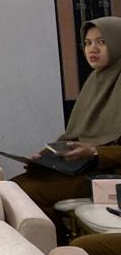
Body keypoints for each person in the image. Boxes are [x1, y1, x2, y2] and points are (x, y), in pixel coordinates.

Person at [17, 17, 121, 220]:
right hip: (85, 168)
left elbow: (94, 145)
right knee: (11, 187)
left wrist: (95, 152)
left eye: (102, 42)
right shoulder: (96, 80)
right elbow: (77, 135)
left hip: (110, 175)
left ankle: (54, 240)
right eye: (88, 43)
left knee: (26, 193)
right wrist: (46, 157)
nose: (92, 49)